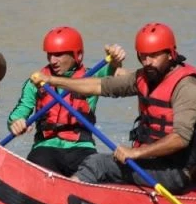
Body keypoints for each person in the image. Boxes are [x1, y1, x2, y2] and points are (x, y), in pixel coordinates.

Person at [31, 22, 196, 195]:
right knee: (99, 164)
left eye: (154, 56)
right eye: (143, 56)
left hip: (176, 171)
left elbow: (180, 139)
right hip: (149, 163)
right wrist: (53, 81)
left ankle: (60, 198)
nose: (147, 62)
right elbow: (98, 86)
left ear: (171, 54)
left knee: (98, 164)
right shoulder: (144, 77)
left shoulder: (187, 87)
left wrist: (136, 152)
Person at [7, 26, 127, 176]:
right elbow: (18, 114)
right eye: (50, 54)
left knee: (94, 168)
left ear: (78, 55)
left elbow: (113, 75)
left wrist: (115, 60)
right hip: (45, 148)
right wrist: (16, 123)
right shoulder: (35, 82)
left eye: (58, 55)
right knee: (37, 164)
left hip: (82, 148)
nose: (52, 60)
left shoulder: (92, 77)